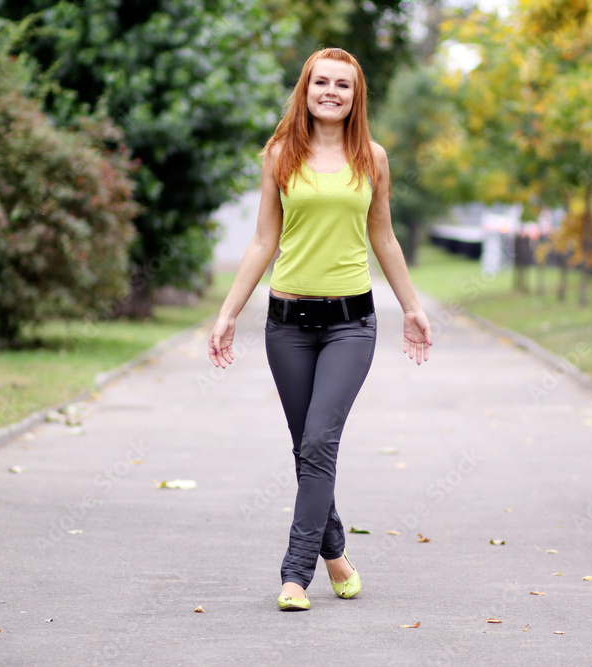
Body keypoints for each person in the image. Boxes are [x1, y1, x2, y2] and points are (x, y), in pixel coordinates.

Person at [208, 47, 432, 612]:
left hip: (350, 325)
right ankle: (336, 555)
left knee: (318, 443)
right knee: (306, 449)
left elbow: (384, 236)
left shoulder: (372, 158)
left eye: (343, 85)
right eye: (321, 82)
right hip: (286, 326)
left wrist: (411, 306)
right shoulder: (279, 154)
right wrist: (229, 312)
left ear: (356, 97)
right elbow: (264, 239)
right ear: (305, 90)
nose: (331, 92)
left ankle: (294, 574)